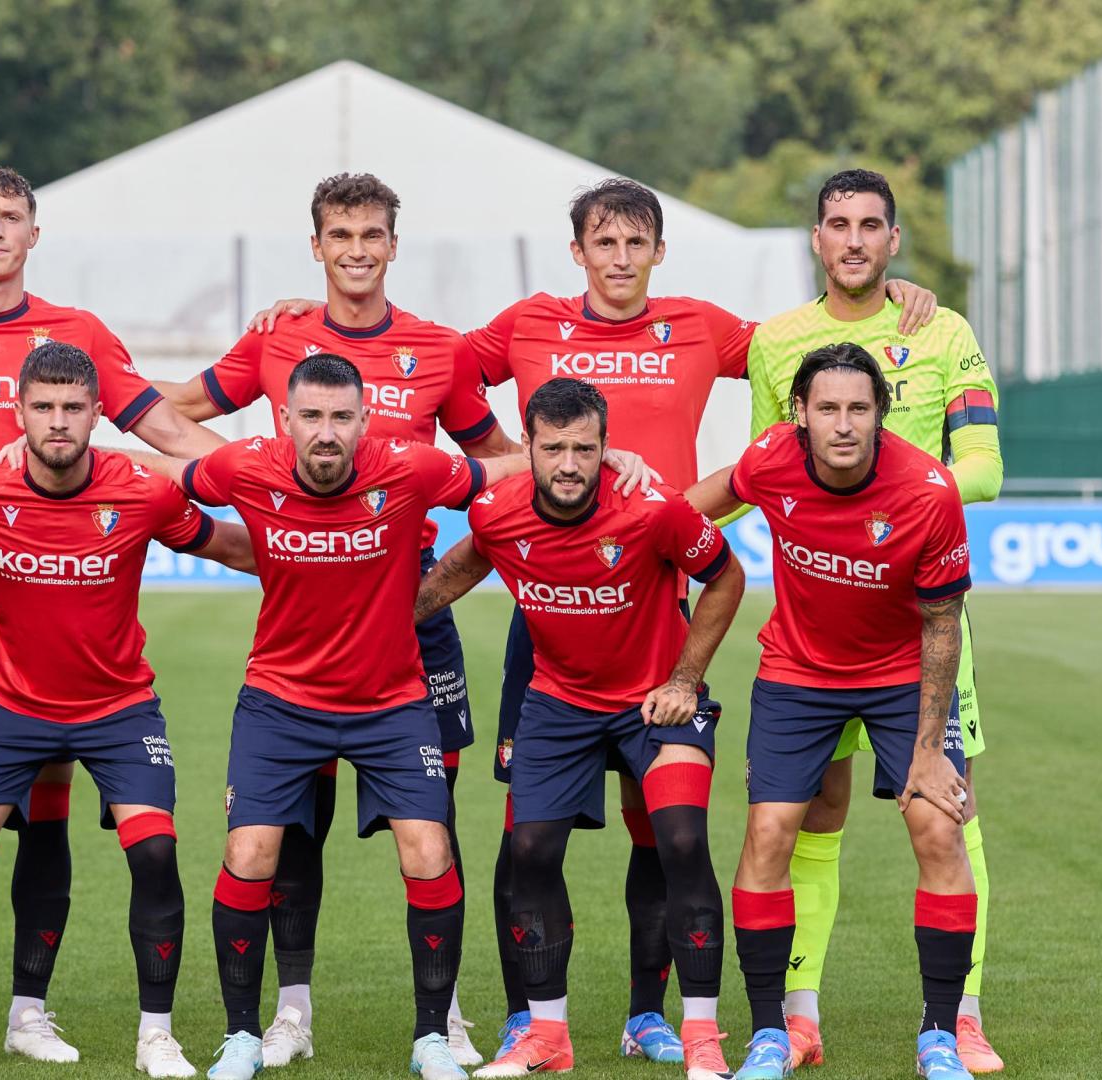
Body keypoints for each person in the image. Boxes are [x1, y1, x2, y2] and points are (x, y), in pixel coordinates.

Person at [244, 177, 938, 1064]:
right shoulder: (527, 324)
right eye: (601, 244)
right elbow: (418, 357)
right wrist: (324, 314)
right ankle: (533, 1020)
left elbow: (808, 352)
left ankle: (652, 1014)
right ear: (576, 252)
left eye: (634, 243)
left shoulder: (702, 327)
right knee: (526, 834)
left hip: (652, 594)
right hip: (547, 610)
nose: (618, 260)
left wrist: (883, 298)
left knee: (665, 824)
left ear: (657, 251)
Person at [0, 165, 226, 1063]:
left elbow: (165, 433)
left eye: (10, 218)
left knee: (49, 817)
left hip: (66, 612)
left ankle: (28, 1008)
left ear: (32, 233)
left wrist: (282, 476)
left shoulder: (77, 335)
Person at [151, 171, 521, 1067]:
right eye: (339, 235)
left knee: (431, 824)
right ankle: (290, 1010)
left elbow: (499, 461)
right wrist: (250, 479)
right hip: (309, 616)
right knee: (288, 827)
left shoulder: (441, 349)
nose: (356, 250)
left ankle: (448, 1011)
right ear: (315, 246)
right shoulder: (277, 338)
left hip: (412, 615)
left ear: (394, 244)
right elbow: (171, 414)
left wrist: (594, 456)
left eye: (372, 235)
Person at [0, 342, 255, 1079]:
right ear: (18, 411)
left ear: (96, 412)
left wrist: (327, 550)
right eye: (44, 407)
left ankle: (157, 1036)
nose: (58, 422)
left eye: (73, 408)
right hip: (8, 707)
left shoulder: (143, 492)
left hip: (119, 708)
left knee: (154, 854)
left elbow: (226, 546)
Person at [742, 169, 1005, 1072]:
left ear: (894, 240)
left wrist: (897, 502)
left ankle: (959, 1015)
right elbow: (765, 469)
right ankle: (797, 1015)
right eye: (837, 225)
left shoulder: (942, 328)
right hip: (814, 630)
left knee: (945, 812)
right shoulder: (777, 343)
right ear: (816, 239)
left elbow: (983, 465)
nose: (854, 241)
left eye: (871, 227)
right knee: (810, 816)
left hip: (920, 623)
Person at [413, 378, 744, 1080]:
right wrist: (390, 620)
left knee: (681, 839)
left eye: (585, 449)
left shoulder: (655, 511)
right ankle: (547, 1036)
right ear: (526, 447)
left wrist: (684, 679)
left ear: (606, 448)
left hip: (654, 703)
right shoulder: (496, 511)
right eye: (554, 448)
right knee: (529, 853)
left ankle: (703, 1038)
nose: (569, 464)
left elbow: (726, 578)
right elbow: (464, 564)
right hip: (559, 706)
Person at [686, 344, 980, 1080]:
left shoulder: (927, 490)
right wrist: (630, 522)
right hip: (798, 672)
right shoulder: (773, 459)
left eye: (858, 408)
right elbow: (710, 498)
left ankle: (940, 1036)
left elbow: (942, 623)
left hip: (899, 677)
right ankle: (767, 1036)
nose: (842, 424)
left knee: (938, 828)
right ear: (801, 417)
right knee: (767, 835)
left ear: (879, 413)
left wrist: (927, 749)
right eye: (826, 409)